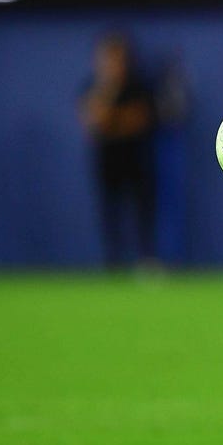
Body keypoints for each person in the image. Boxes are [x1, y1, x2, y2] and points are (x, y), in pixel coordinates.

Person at [78, 31, 158, 268]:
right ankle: (112, 264)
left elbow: (138, 120)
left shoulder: (140, 86)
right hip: (107, 162)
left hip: (137, 161)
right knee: (110, 215)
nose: (113, 63)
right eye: (108, 58)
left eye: (117, 57)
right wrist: (109, 99)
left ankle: (147, 262)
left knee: (142, 214)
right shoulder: (93, 86)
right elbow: (93, 120)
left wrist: (113, 122)